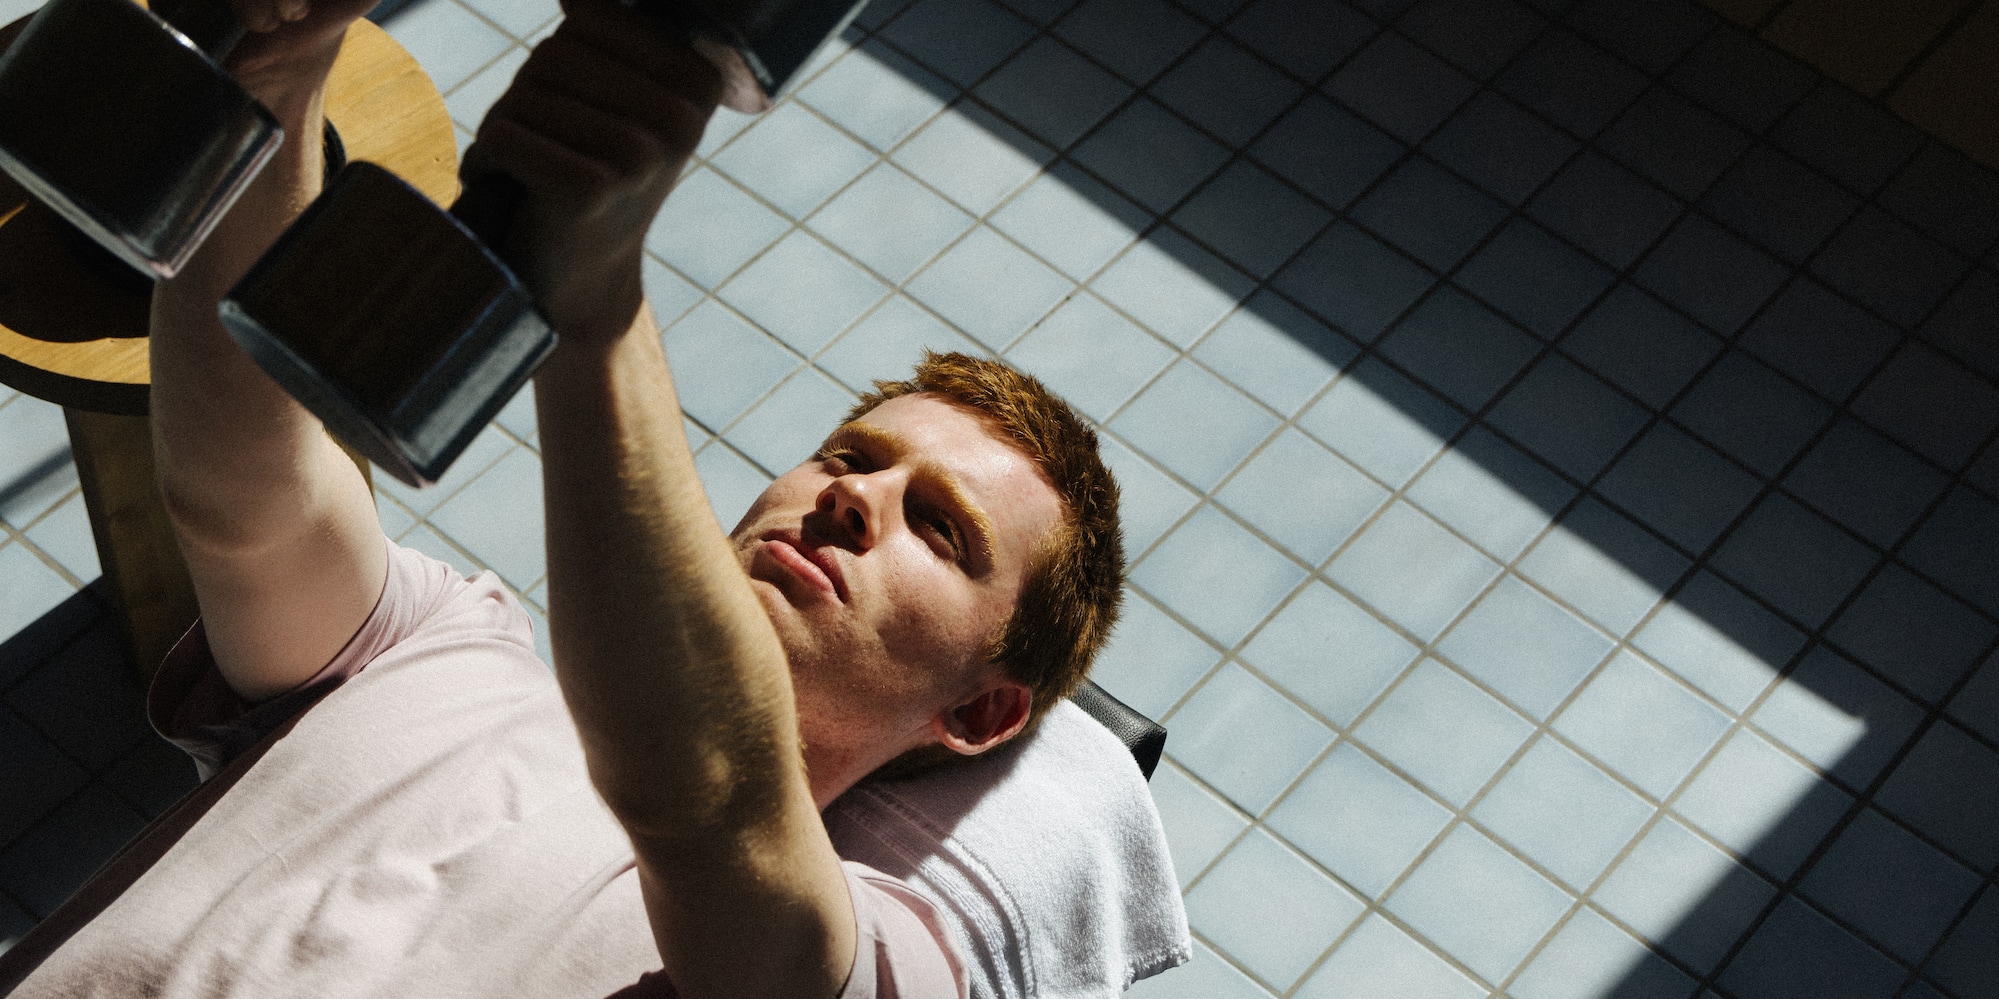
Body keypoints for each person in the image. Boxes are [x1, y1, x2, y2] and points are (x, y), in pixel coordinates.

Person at [0, 0, 1186, 995]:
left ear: (979, 715)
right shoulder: (441, 642)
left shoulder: (874, 953)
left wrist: (594, 303)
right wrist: (277, 69)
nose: (850, 501)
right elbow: (242, 501)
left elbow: (706, 800)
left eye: (940, 530)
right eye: (849, 458)